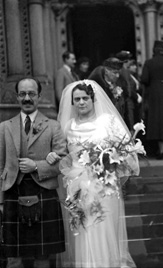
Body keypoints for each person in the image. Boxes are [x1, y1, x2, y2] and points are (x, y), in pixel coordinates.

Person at [47, 80, 141, 268]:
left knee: (102, 227)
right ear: (72, 103)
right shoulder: (67, 126)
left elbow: (127, 154)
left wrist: (111, 165)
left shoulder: (108, 122)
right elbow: (62, 154)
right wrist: (53, 155)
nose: (81, 102)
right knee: (83, 232)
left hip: (103, 187)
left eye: (85, 98)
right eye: (77, 99)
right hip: (77, 188)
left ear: (93, 99)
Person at [0, 77, 66, 268]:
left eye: (31, 94)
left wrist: (36, 166)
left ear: (39, 95)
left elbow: (63, 162)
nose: (27, 98)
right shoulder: (4, 128)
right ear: (17, 96)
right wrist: (1, 201)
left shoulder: (53, 126)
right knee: (12, 257)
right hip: (12, 193)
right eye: (22, 94)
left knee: (43, 255)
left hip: (44, 193)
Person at [116, 51, 142, 130]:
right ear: (126, 61)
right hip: (127, 102)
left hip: (126, 102)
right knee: (130, 125)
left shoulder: (121, 71)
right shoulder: (124, 71)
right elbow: (128, 89)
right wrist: (136, 96)